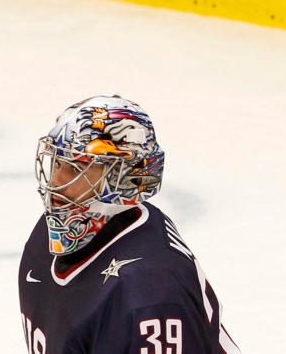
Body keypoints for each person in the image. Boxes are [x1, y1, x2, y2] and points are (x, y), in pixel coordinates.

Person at [18, 94, 239, 354]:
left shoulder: (149, 294)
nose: (55, 182)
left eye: (76, 168)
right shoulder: (46, 237)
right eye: (56, 162)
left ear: (122, 179)